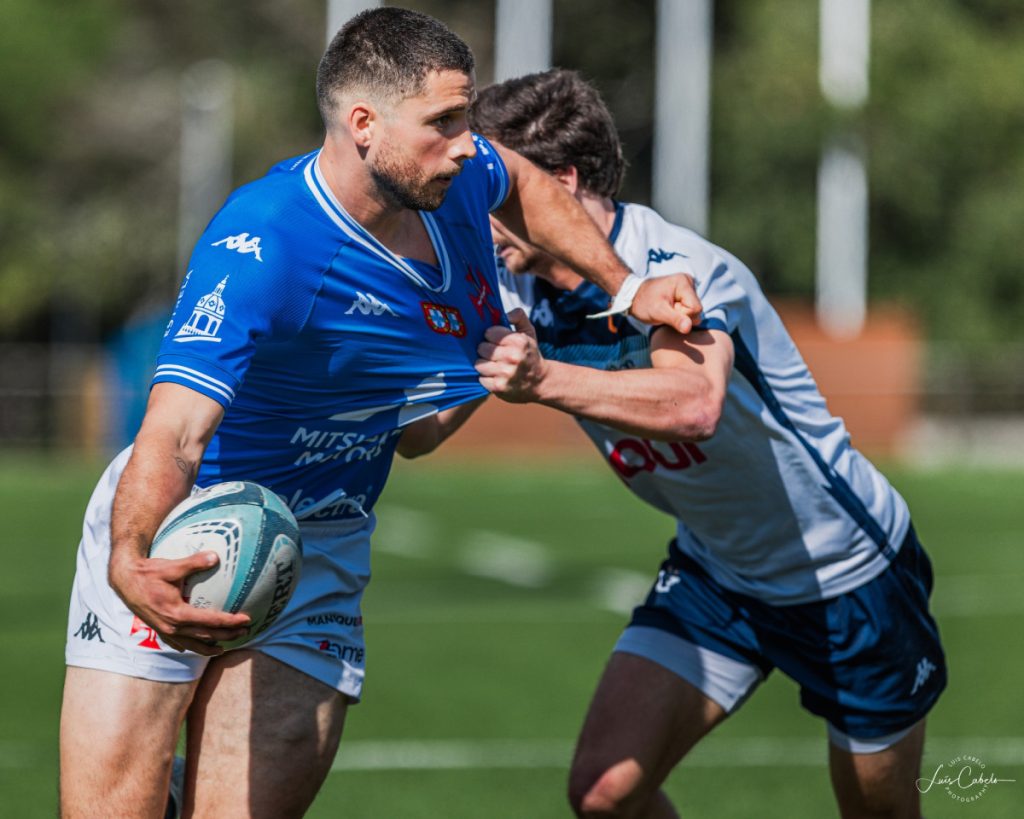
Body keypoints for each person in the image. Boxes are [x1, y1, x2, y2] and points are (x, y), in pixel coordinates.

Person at [58, 12, 702, 818]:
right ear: (364, 125)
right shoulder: (264, 243)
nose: (470, 145)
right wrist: (129, 557)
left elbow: (526, 189)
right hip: (185, 523)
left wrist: (624, 285)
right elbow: (175, 431)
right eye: (444, 124)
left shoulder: (461, 182)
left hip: (321, 545)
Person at [400, 69, 946, 819]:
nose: (475, 210)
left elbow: (694, 404)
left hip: (844, 574)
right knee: (604, 793)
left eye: (491, 190)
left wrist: (542, 376)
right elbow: (419, 435)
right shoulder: (512, 285)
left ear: (554, 183)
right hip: (718, 573)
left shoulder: (675, 266)